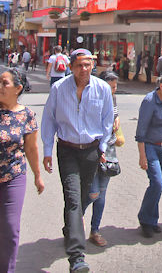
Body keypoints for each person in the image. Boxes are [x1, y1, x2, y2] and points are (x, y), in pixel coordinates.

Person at [41, 48, 114, 272]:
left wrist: (102, 147)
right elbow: (49, 120)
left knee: (82, 198)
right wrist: (46, 150)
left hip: (91, 151)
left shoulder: (102, 89)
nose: (84, 68)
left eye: (88, 64)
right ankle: (76, 256)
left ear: (93, 65)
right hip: (67, 150)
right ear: (71, 66)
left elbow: (107, 121)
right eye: (80, 64)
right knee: (73, 198)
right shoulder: (58, 89)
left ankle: (69, 229)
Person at [0, 68, 44, 272]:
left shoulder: (27, 115)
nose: (0, 86)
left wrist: (37, 175)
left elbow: (31, 148)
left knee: (9, 228)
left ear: (18, 88)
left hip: (13, 176)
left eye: (4, 83)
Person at [136, 72, 162, 238]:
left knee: (158, 186)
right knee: (157, 184)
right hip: (150, 146)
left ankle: (152, 220)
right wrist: (142, 156)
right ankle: (144, 219)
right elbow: (141, 131)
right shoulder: (149, 101)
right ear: (161, 86)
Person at [83, 71, 121, 247]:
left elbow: (114, 116)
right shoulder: (92, 99)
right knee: (93, 192)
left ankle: (95, 230)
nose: (113, 90)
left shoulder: (112, 98)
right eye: (111, 87)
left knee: (102, 194)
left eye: (115, 87)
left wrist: (117, 120)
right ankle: (74, 222)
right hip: (93, 150)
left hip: (109, 150)